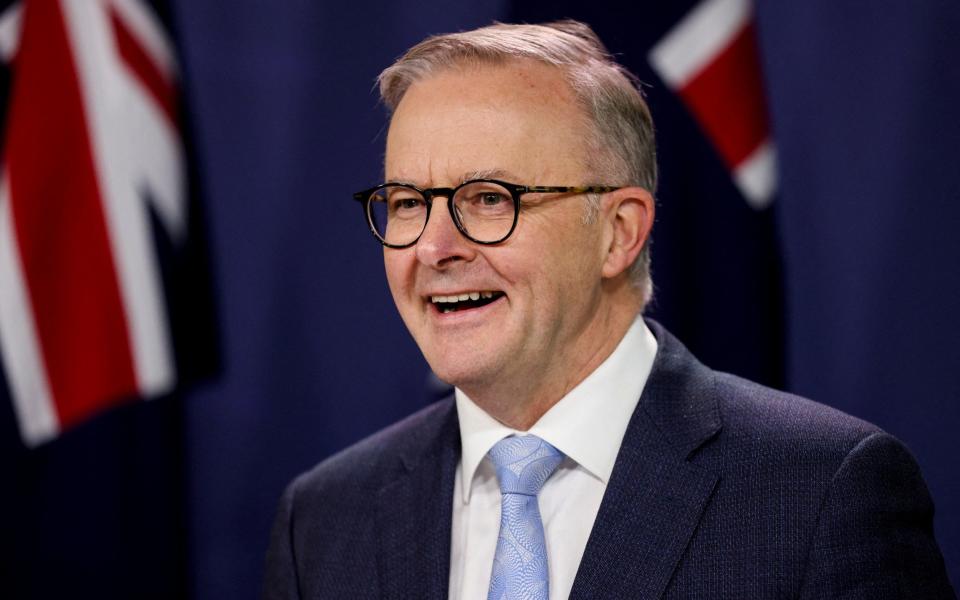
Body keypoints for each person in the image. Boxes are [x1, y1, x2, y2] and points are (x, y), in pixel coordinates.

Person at [263, 20, 954, 599]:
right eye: (409, 203)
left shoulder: (820, 497)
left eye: (489, 199)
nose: (435, 247)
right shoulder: (324, 520)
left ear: (620, 231)